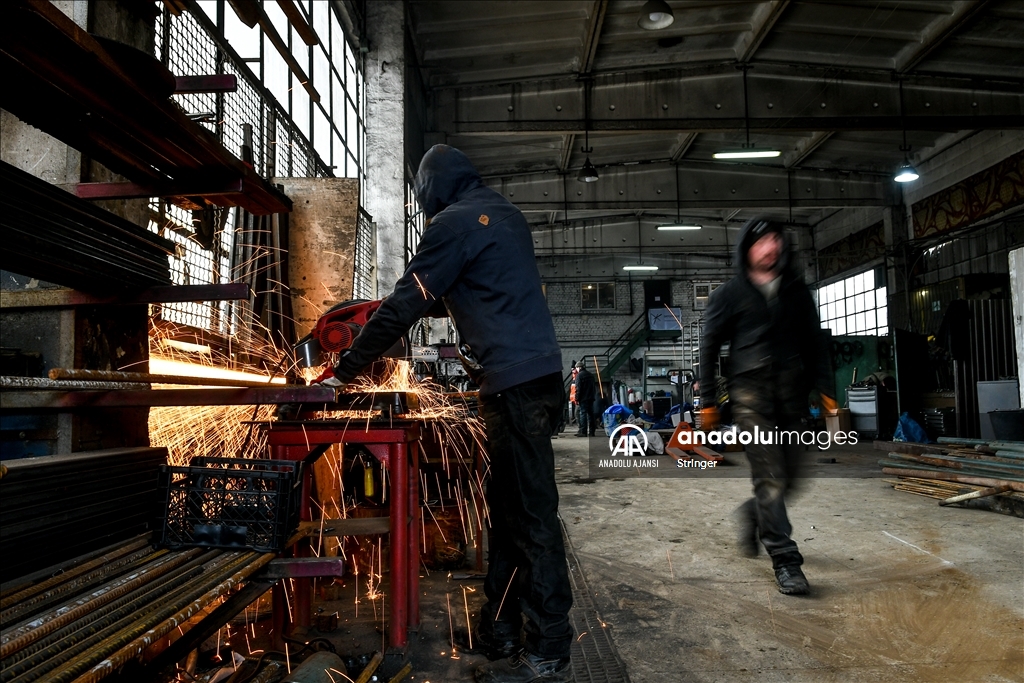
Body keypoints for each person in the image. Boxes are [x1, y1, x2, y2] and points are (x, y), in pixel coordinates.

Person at [318, 145, 573, 683]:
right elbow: (459, 289)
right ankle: (500, 630)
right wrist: (384, 311)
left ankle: (549, 650)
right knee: (508, 515)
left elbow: (410, 302)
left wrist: (347, 367)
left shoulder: (454, 225)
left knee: (531, 519)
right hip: (531, 380)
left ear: (431, 187)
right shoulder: (500, 212)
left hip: (517, 386)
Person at [699, 217, 835, 596]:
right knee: (771, 477)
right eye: (762, 241)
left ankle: (754, 513)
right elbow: (708, 349)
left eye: (776, 239)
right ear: (747, 248)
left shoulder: (796, 292)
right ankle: (786, 559)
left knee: (792, 478)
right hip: (750, 397)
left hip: (793, 398)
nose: (770, 246)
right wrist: (708, 403)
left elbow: (816, 344)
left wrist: (827, 393)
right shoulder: (729, 295)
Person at [573, 360, 597, 437]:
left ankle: (583, 432)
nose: (576, 369)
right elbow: (594, 387)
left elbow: (578, 388)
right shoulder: (591, 375)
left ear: (579, 367)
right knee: (591, 414)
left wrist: (577, 398)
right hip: (591, 397)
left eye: (576, 368)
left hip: (583, 398)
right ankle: (592, 432)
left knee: (583, 414)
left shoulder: (579, 376)